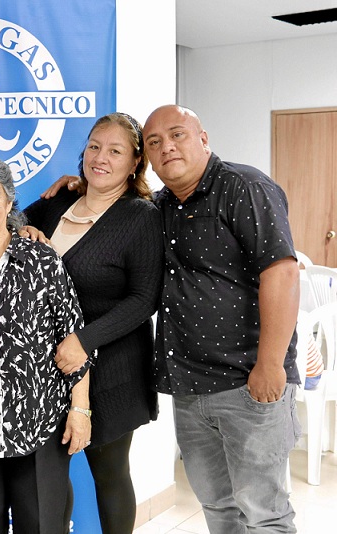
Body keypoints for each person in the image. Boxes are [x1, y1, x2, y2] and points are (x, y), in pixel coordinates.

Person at [46, 105, 301, 533]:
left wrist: (271, 364)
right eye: (155, 141)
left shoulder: (243, 186)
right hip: (189, 386)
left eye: (178, 135)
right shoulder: (162, 206)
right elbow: (110, 205)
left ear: (204, 138)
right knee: (218, 507)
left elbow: (282, 271)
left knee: (264, 512)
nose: (167, 147)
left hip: (248, 380)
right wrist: (76, 187)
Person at [21, 113, 162, 534]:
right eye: (95, 146)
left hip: (113, 367)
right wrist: (22, 227)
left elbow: (144, 299)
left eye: (115, 150)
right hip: (48, 369)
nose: (100, 157)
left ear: (135, 162)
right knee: (49, 474)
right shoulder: (58, 200)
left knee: (110, 472)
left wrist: (84, 339)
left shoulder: (142, 216)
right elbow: (3, 221)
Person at [0, 155, 94, 533]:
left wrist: (80, 410)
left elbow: (73, 337)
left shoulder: (41, 259)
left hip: (40, 429)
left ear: (10, 202)